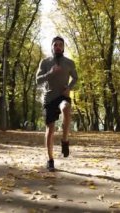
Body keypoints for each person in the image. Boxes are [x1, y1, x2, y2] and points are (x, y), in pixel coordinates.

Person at [36, 36, 78, 172]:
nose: (58, 47)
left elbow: (75, 77)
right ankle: (50, 160)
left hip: (63, 96)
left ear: (63, 47)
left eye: (60, 45)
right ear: (52, 47)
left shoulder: (69, 63)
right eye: (55, 45)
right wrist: (50, 72)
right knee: (50, 130)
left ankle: (65, 141)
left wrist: (69, 88)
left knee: (66, 108)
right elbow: (38, 80)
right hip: (49, 98)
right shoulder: (45, 62)